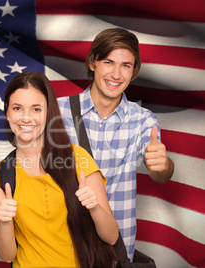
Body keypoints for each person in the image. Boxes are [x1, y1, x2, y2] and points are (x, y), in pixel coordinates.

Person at [57, 28, 175, 261]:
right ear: (93, 63)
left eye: (126, 65)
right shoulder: (57, 112)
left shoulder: (142, 120)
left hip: (115, 251)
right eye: (108, 62)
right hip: (61, 245)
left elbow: (161, 173)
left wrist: (162, 165)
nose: (116, 74)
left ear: (134, 71)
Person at [0, 72, 119, 268]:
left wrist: (94, 207)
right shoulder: (0, 174)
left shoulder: (78, 158)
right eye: (17, 108)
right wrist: (5, 223)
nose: (26, 117)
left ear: (49, 112)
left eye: (36, 109)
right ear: (7, 112)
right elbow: (7, 255)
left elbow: (111, 237)